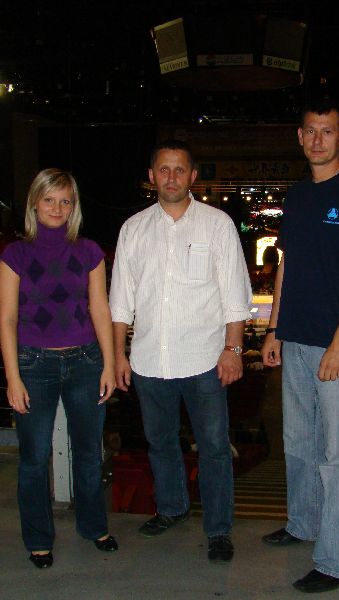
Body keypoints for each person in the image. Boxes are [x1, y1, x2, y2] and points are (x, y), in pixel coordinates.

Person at [261, 100, 339, 593]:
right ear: (299, 136)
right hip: (296, 339)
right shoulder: (296, 197)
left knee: (338, 455)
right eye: (310, 131)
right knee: (298, 443)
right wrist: (274, 328)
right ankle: (304, 523)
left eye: (327, 131)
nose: (317, 140)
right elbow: (286, 266)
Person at [110, 140, 252, 563]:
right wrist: (118, 355)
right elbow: (121, 301)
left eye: (179, 169)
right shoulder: (133, 229)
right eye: (163, 169)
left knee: (214, 448)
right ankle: (171, 508)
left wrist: (233, 349)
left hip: (205, 359)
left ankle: (219, 529)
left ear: (192, 176)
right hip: (150, 360)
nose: (171, 177)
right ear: (151, 176)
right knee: (160, 443)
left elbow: (235, 293)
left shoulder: (217, 224)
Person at [0, 168, 117, 569]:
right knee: (34, 458)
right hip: (34, 364)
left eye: (65, 200)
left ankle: (94, 526)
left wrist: (109, 363)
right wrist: (13, 377)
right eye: (49, 199)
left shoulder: (89, 251)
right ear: (34, 202)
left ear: (74, 206)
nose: (57, 207)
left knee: (89, 453)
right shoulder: (15, 255)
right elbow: (7, 320)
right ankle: (37, 539)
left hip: (85, 361)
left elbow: (100, 309)